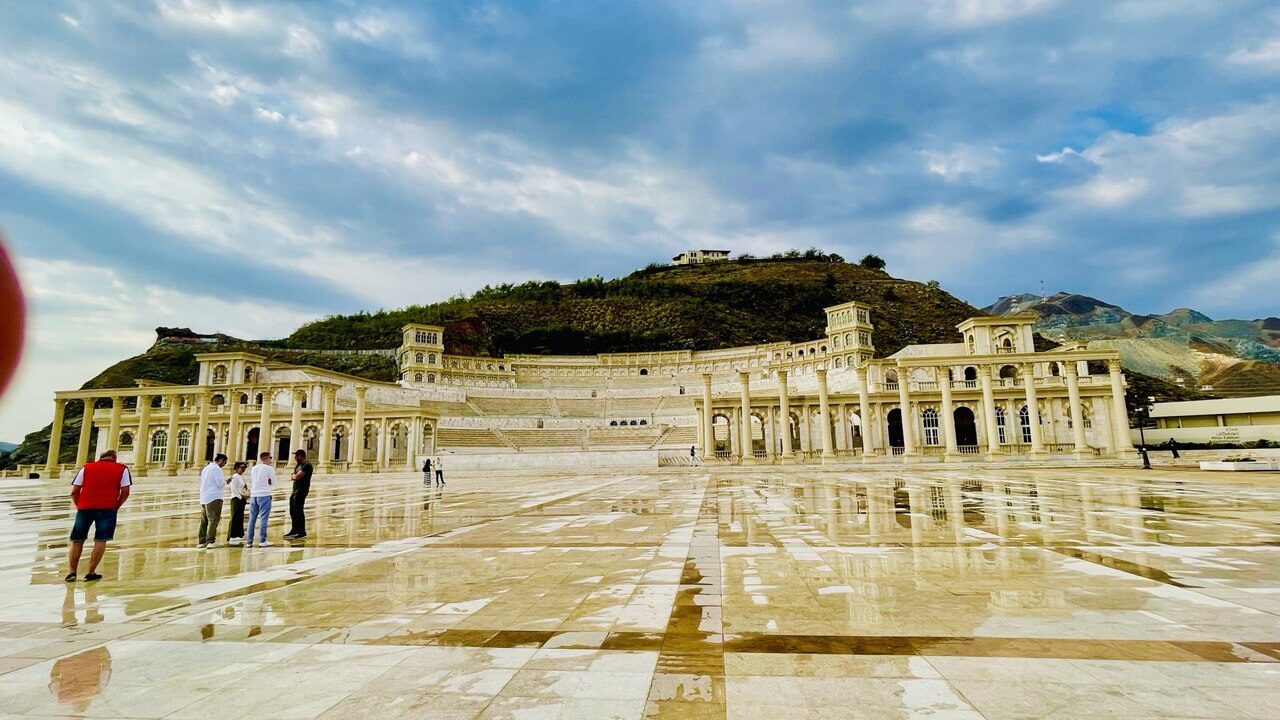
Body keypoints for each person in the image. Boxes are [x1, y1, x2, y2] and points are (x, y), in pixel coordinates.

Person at [66, 450, 131, 582]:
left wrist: (80, 505)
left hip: (84, 508)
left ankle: (72, 572)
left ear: (100, 458)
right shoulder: (122, 469)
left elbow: (74, 491)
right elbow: (125, 492)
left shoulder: (86, 467)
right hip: (108, 509)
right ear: (114, 457)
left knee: (77, 540)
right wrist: (116, 506)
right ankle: (91, 572)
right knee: (100, 541)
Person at [197, 453, 229, 549]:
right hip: (214, 497)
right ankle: (211, 541)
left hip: (204, 497)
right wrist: (226, 481)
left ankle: (202, 541)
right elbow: (219, 484)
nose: (224, 465)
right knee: (213, 520)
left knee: (204, 521)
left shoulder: (206, 468)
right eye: (224, 462)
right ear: (221, 460)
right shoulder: (217, 469)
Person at [246, 452, 275, 548]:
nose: (271, 460)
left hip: (254, 495)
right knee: (263, 519)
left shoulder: (254, 468)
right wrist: (268, 481)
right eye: (270, 458)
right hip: (264, 494)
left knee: (252, 519)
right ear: (266, 459)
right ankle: (262, 540)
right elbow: (273, 482)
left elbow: (252, 481)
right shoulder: (269, 469)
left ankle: (249, 541)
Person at [284, 449, 313, 540]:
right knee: (293, 510)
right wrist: (294, 476)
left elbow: (296, 476)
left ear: (301, 456)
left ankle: (301, 532)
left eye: (296, 456)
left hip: (301, 490)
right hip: (295, 490)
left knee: (298, 511)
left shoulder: (307, 465)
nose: (295, 458)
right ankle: (294, 530)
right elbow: (294, 474)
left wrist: (294, 476)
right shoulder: (299, 465)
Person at [226, 462, 250, 546]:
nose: (243, 469)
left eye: (244, 468)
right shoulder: (235, 477)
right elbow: (233, 489)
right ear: (236, 468)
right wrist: (240, 498)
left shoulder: (240, 477)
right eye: (242, 467)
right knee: (235, 517)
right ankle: (232, 535)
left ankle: (239, 534)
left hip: (240, 499)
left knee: (240, 517)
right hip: (236, 499)